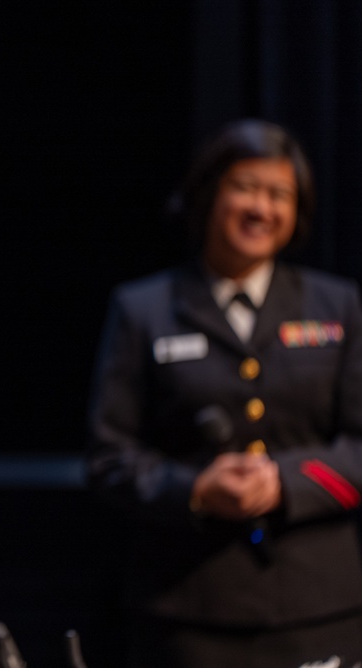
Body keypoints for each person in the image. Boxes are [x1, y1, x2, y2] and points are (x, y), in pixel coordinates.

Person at [86, 118, 362, 667]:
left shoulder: (338, 305)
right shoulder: (143, 309)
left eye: (280, 193)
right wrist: (196, 490)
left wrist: (284, 482)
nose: (262, 208)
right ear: (209, 194)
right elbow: (108, 460)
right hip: (189, 610)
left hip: (319, 608)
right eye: (246, 187)